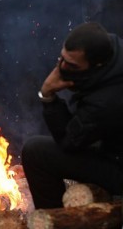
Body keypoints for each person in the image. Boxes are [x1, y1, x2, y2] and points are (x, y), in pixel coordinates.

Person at [21, 22, 123, 209]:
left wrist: (48, 95)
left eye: (72, 65)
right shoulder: (113, 51)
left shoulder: (106, 102)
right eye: (62, 58)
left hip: (118, 164)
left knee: (35, 152)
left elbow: (69, 142)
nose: (62, 67)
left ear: (97, 64)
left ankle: (53, 220)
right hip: (112, 143)